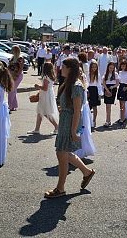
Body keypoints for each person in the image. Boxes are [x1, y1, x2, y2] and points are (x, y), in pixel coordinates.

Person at [44, 58, 95, 199]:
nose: (60, 69)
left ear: (70, 69)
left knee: (61, 153)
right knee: (64, 153)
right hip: (65, 121)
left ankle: (60, 188)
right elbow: (70, 105)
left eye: (63, 67)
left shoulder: (77, 86)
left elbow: (78, 111)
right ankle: (87, 172)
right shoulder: (68, 83)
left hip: (70, 123)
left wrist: (73, 130)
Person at [28, 62, 59, 135]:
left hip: (45, 95)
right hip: (48, 94)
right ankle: (37, 129)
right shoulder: (51, 76)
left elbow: (45, 88)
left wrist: (37, 86)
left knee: (45, 112)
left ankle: (56, 127)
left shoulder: (46, 77)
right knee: (40, 112)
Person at [74, 71, 96, 159]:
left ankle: (79, 151)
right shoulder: (81, 86)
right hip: (83, 109)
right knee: (81, 130)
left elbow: (82, 101)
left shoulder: (80, 87)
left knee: (80, 129)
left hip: (81, 110)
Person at [116, 60, 127, 127]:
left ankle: (122, 119)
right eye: (122, 65)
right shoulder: (120, 72)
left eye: (124, 65)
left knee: (123, 104)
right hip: (121, 87)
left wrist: (126, 88)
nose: (123, 66)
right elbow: (118, 81)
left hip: (126, 87)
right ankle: (121, 117)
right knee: (121, 104)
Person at [102, 62, 118, 128]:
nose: (111, 69)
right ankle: (108, 120)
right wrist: (107, 90)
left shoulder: (116, 74)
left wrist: (113, 87)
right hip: (107, 89)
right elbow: (103, 83)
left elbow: (117, 84)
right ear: (108, 67)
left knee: (109, 105)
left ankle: (108, 120)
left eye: (112, 68)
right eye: (110, 68)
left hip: (112, 89)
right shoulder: (106, 74)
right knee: (107, 105)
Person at [7, 46, 24, 112]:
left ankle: (9, 106)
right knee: (13, 90)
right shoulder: (12, 57)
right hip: (11, 74)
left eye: (13, 50)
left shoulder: (20, 58)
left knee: (11, 90)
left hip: (17, 75)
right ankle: (13, 105)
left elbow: (21, 68)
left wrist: (16, 75)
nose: (11, 50)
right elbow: (9, 66)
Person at [87, 61, 101, 127]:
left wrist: (99, 94)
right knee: (88, 106)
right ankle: (88, 120)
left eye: (95, 67)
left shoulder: (98, 75)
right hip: (89, 90)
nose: (94, 68)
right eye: (92, 67)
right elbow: (86, 83)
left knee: (95, 106)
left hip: (95, 90)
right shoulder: (88, 74)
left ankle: (94, 120)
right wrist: (87, 91)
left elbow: (99, 85)